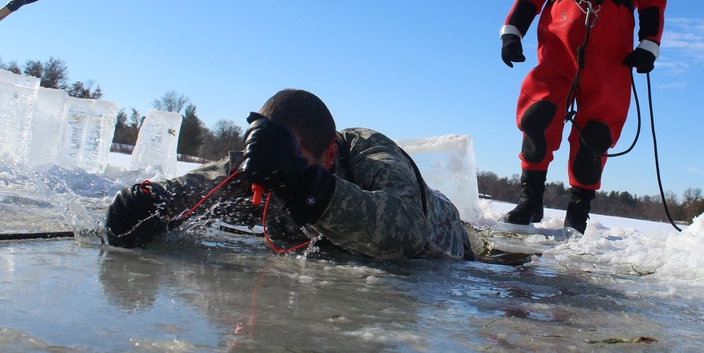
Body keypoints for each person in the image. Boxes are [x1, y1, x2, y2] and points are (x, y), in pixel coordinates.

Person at [104, 88, 472, 259]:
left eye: (296, 167)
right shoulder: (264, 166)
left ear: (329, 154)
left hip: (447, 232)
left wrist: (305, 186)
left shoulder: (368, 152)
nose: (276, 187)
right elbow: (198, 187)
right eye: (273, 170)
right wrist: (149, 204)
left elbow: (407, 229)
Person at [500, 0, 666, 233]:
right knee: (536, 119)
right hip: (556, 59)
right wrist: (512, 32)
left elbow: (652, 2)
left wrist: (648, 46)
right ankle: (530, 202)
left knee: (596, 136)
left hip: (610, 66)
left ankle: (578, 212)